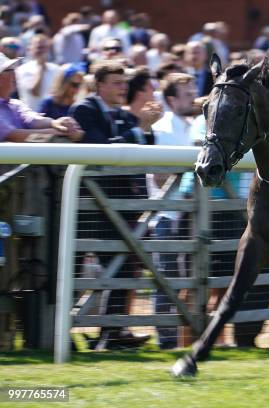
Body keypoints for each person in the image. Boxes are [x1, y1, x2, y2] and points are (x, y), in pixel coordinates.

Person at [70, 60, 152, 350]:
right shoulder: (84, 110)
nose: (123, 89)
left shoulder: (125, 115)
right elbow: (101, 149)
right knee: (72, 273)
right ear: (99, 85)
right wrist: (139, 128)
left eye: (125, 83)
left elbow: (141, 152)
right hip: (87, 209)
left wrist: (144, 129)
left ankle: (113, 334)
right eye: (117, 83)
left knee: (121, 272)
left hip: (117, 208)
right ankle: (59, 334)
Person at [150, 73, 197, 349]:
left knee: (186, 281)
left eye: (193, 92)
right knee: (166, 282)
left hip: (190, 214)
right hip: (166, 214)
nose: (193, 96)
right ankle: (166, 342)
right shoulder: (164, 127)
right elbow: (158, 174)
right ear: (171, 99)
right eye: (187, 93)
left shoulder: (192, 125)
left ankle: (182, 339)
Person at [0, 52, 82, 142]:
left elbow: (33, 120)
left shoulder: (16, 104)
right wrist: (61, 132)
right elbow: (15, 136)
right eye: (10, 70)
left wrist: (56, 123)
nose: (14, 74)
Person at [15, 33, 60, 111]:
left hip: (51, 117)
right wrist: (41, 67)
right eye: (39, 47)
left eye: (45, 48)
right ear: (30, 48)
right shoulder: (22, 70)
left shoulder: (56, 68)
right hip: (31, 117)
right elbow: (35, 92)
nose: (42, 51)